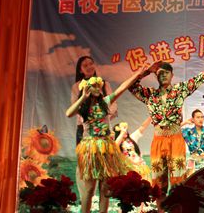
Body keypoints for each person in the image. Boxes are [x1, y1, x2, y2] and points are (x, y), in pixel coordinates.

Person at [128, 55, 204, 208]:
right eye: (159, 73)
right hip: (158, 141)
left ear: (172, 75)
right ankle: (160, 211)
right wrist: (148, 71)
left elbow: (200, 78)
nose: (163, 75)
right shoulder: (150, 95)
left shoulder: (180, 90)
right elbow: (131, 86)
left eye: (166, 72)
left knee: (177, 182)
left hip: (176, 140)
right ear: (156, 76)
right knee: (158, 184)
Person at [66, 61, 160, 213]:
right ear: (87, 89)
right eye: (94, 86)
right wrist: (83, 97)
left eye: (99, 86)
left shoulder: (105, 102)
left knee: (105, 189)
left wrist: (138, 74)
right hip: (91, 148)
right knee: (89, 190)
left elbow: (122, 87)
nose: (98, 88)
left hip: (107, 148)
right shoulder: (83, 106)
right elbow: (68, 113)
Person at [71, 56, 118, 145]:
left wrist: (103, 116)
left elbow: (113, 104)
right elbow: (74, 106)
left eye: (91, 64)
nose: (89, 67)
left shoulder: (104, 84)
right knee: (86, 152)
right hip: (84, 127)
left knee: (105, 152)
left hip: (103, 126)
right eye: (85, 65)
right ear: (80, 70)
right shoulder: (77, 86)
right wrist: (86, 117)